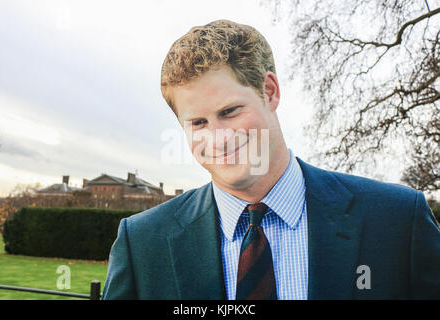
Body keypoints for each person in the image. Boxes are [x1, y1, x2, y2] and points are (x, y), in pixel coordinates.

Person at [102, 19, 440, 300]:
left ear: (271, 91)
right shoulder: (143, 242)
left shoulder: (397, 221)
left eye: (230, 111)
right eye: (198, 123)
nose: (218, 138)